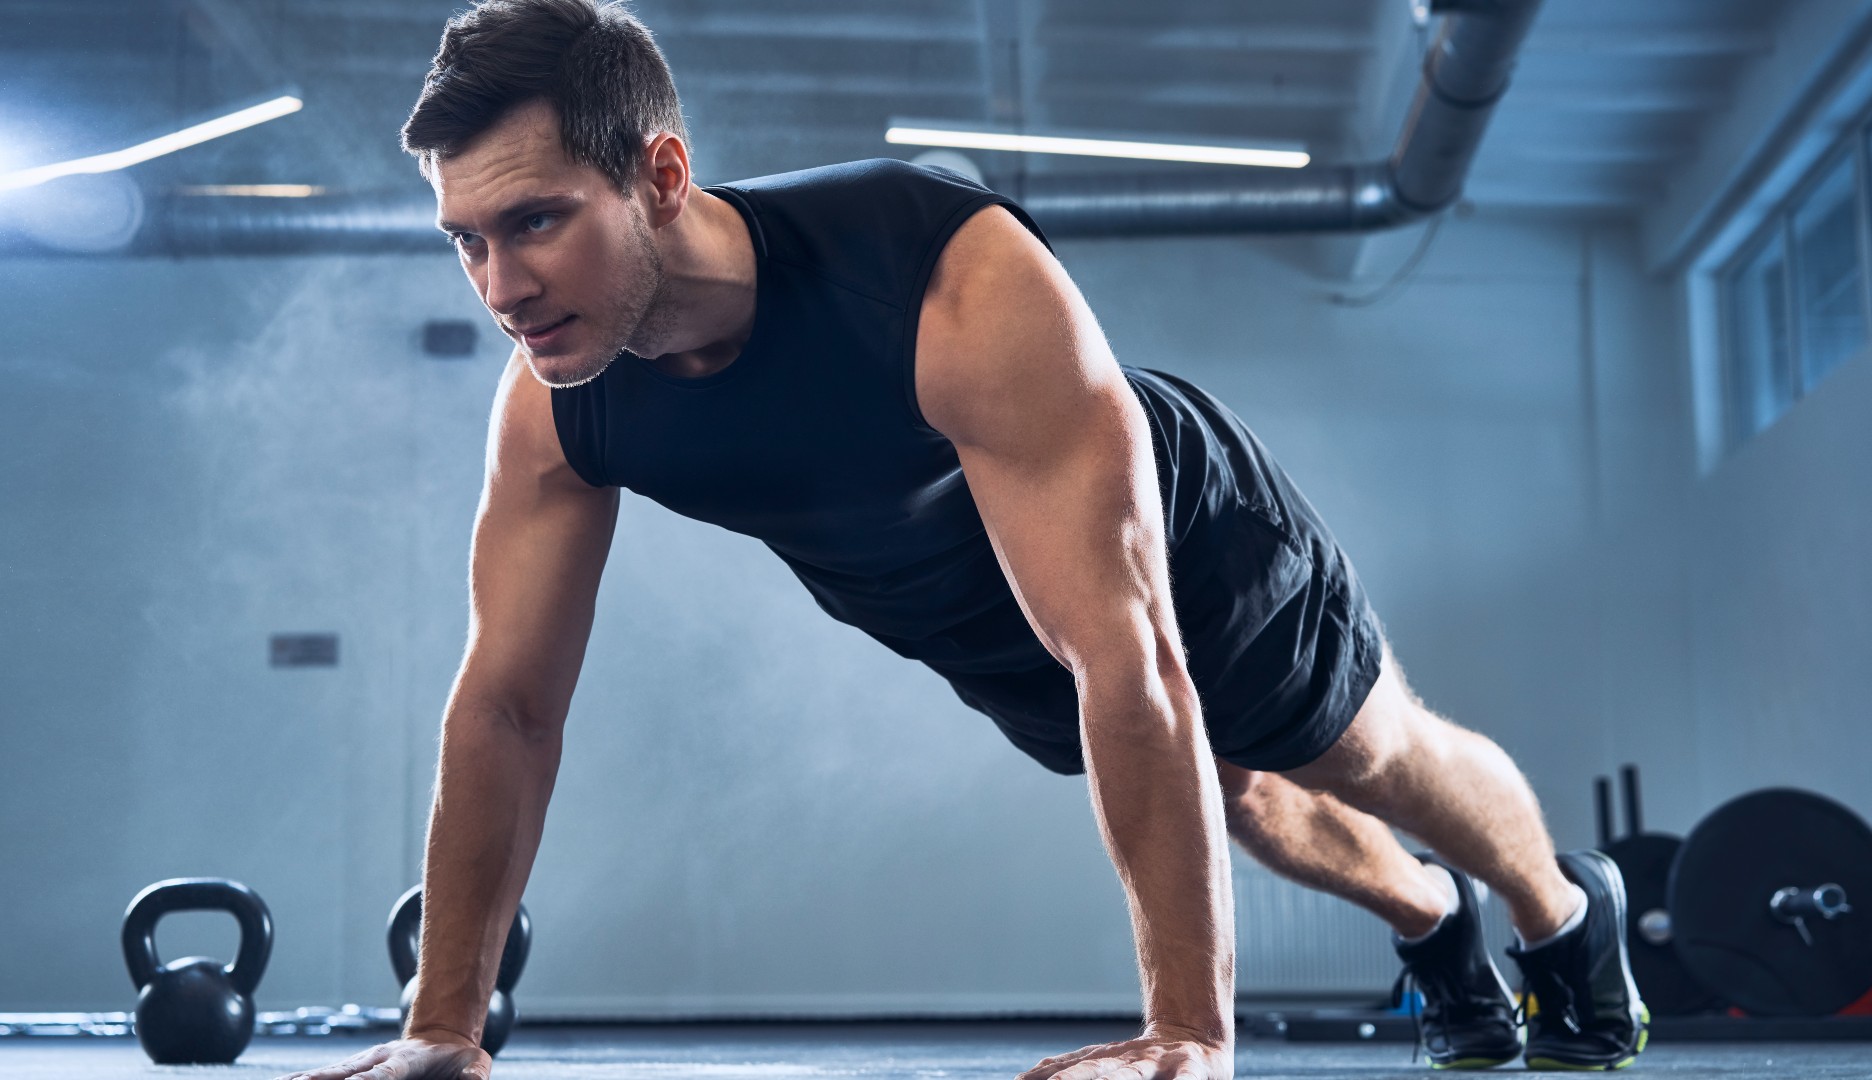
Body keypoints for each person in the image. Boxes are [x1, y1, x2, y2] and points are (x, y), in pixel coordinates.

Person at [278, 2, 1646, 1078]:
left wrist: (1189, 1034)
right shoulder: (559, 406)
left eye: (535, 223)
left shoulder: (937, 272)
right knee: (1240, 799)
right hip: (972, 610)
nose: (502, 287)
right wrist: (442, 1026)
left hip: (1179, 536)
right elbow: (509, 706)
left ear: (661, 173)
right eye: (466, 240)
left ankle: (1561, 914)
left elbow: (1130, 650)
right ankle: (1429, 923)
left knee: (1357, 752)